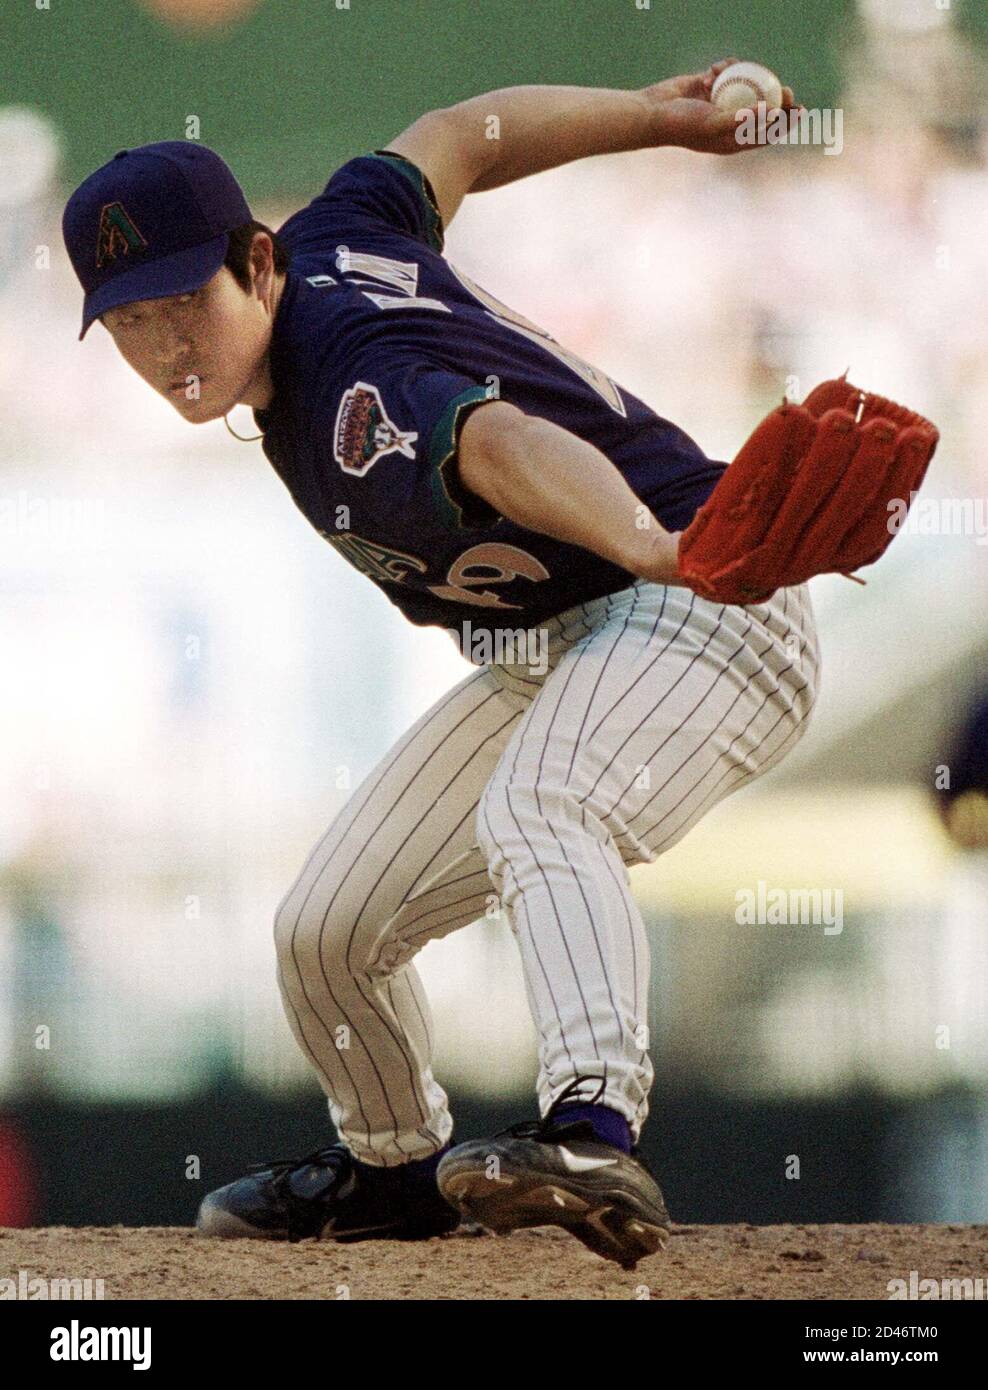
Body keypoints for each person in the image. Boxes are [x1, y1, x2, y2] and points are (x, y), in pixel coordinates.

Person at [63, 61, 819, 1268]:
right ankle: (393, 1165)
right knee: (326, 926)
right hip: (565, 642)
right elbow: (463, 133)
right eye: (131, 324)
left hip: (703, 599)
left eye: (183, 305)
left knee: (543, 802)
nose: (165, 350)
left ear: (258, 262)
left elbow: (500, 442)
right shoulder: (342, 227)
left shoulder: (346, 386)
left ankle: (592, 1126)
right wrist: (663, 118)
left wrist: (650, 543)